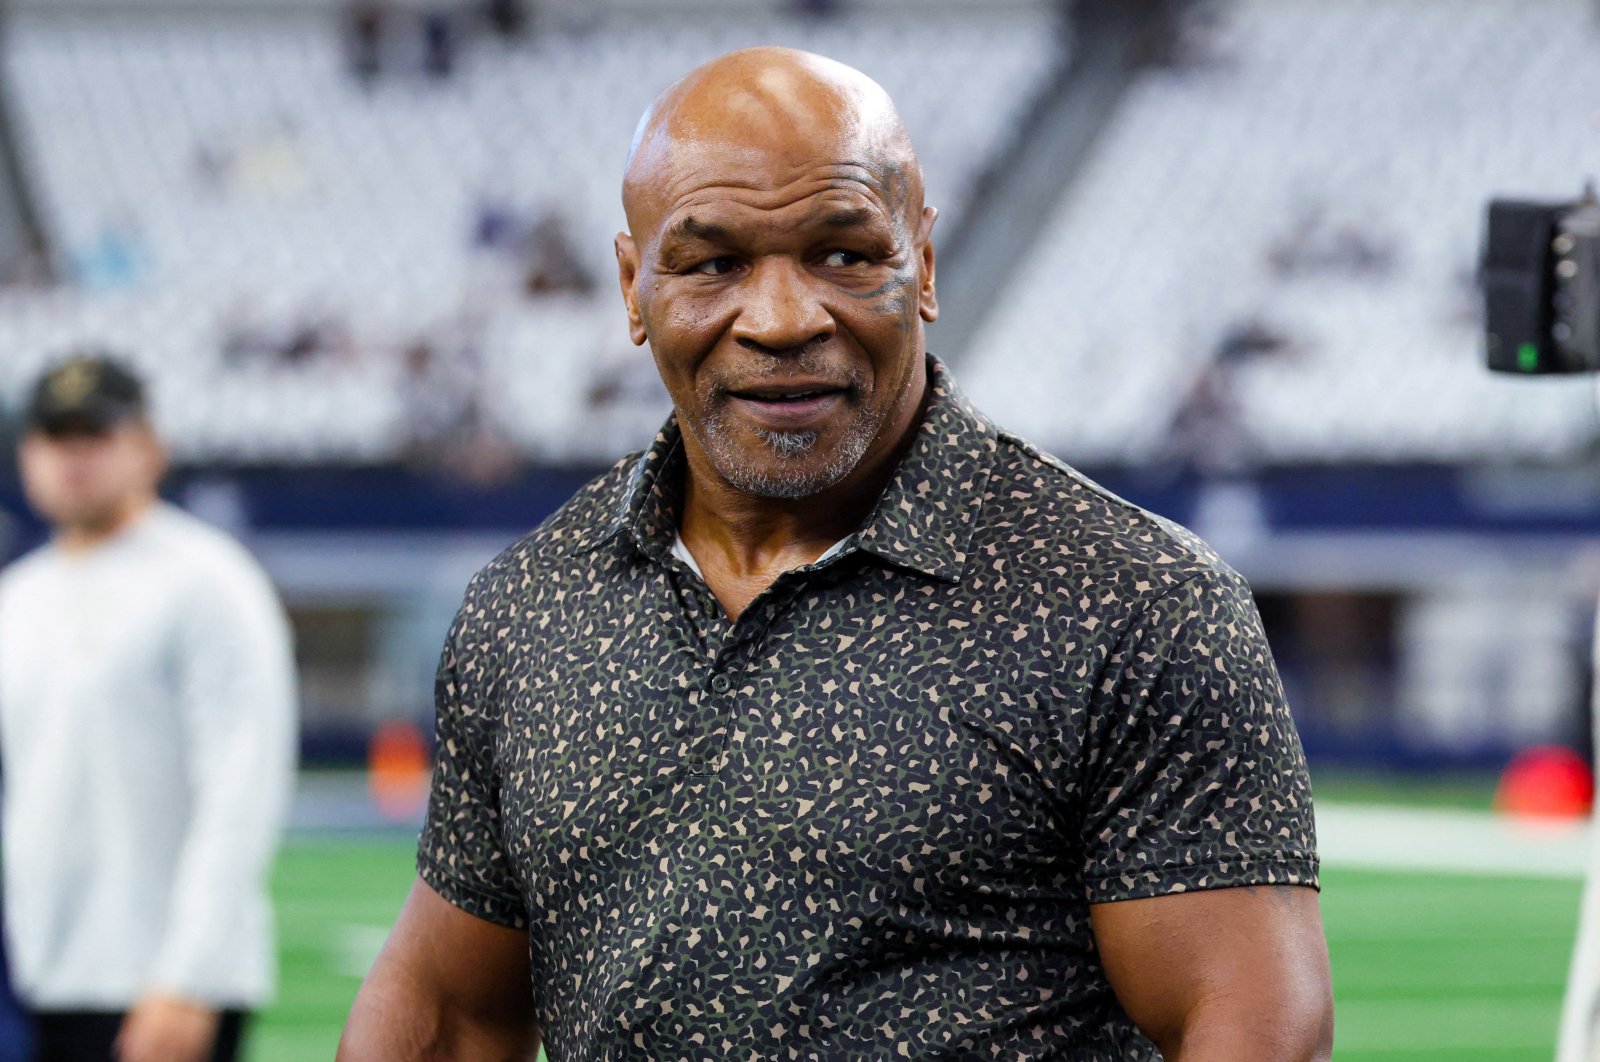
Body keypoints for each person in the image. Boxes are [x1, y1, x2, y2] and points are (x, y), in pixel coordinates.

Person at [340, 47, 1332, 1060]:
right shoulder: (532, 607)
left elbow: (1251, 1020)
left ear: (924, 265)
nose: (781, 319)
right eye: (713, 262)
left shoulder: (1134, 604)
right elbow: (452, 1012)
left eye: (844, 255)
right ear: (633, 289)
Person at [0, 356, 297, 1062]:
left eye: (94, 435)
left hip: (157, 986)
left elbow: (241, 788)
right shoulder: (18, 597)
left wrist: (188, 978)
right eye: (54, 436)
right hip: (39, 977)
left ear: (148, 448)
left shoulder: (206, 582)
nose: (73, 457)